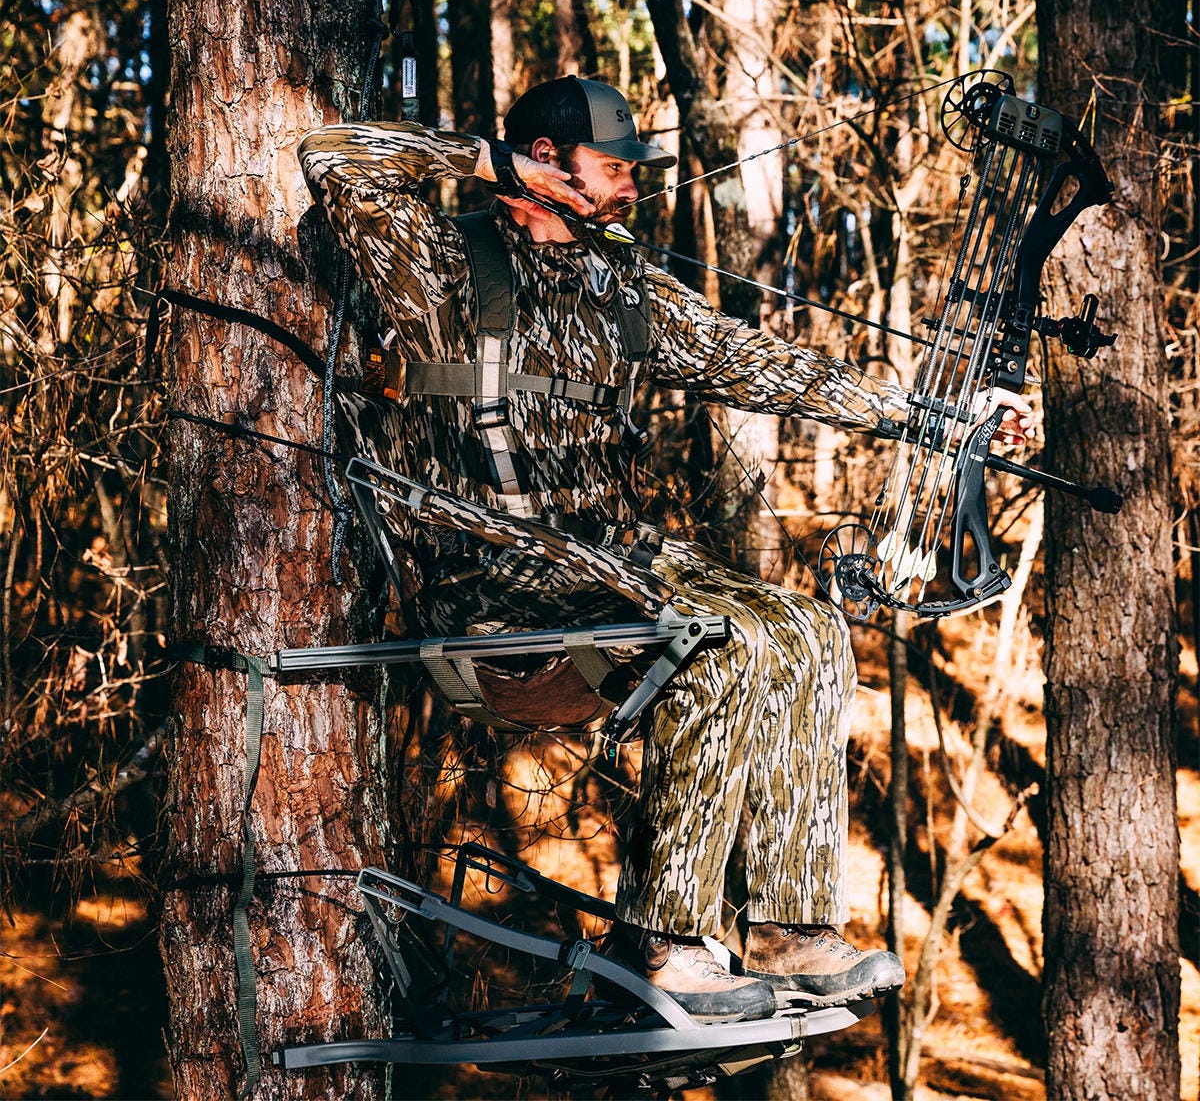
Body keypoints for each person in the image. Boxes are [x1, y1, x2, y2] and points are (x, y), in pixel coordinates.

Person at [298, 76, 1033, 1023]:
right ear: (548, 159)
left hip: (609, 566)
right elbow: (334, 156)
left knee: (808, 630)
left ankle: (785, 928)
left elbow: (757, 363)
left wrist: (936, 420)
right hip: (495, 585)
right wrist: (493, 160)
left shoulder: (620, 283)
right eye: (615, 169)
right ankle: (660, 942)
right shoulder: (443, 263)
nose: (634, 189)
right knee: (717, 639)